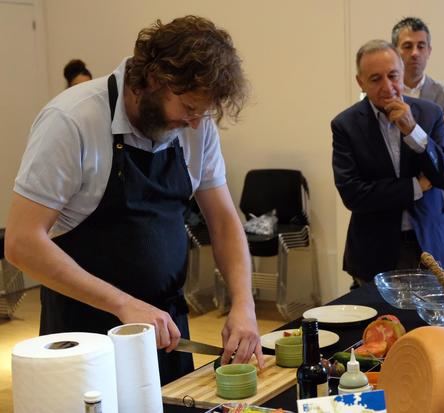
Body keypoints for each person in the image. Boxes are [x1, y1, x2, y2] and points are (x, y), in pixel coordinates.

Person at [4, 15, 264, 384]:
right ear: (156, 80)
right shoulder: (72, 121)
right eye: (189, 107)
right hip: (85, 338)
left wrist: (244, 304)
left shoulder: (196, 126)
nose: (195, 123)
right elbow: (22, 242)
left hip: (167, 333)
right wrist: (121, 303)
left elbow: (222, 222)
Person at [331, 39, 444, 286]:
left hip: (429, 245)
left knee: (431, 324)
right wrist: (415, 187)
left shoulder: (429, 114)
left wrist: (414, 132)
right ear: (360, 82)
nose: (387, 87)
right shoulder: (346, 125)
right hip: (375, 251)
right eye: (375, 79)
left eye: (393, 76)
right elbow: (353, 194)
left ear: (402, 74)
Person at [391, 17, 444, 225]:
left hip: (437, 197)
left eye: (421, 46)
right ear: (395, 51)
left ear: (429, 51)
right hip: (395, 199)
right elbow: (384, 145)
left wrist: (410, 131)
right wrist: (437, 129)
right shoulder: (385, 93)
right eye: (407, 46)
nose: (415, 52)